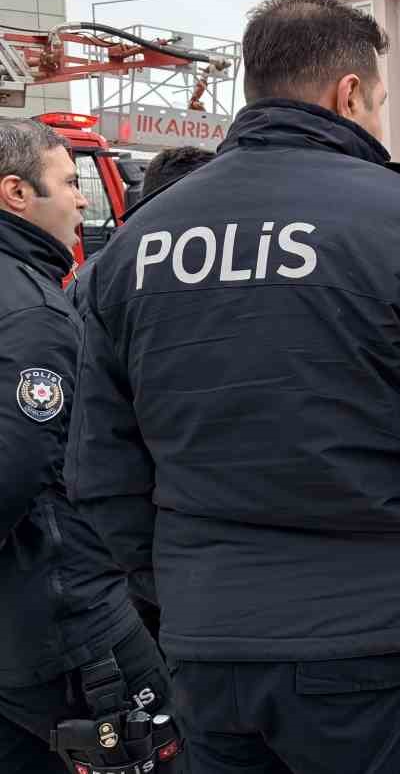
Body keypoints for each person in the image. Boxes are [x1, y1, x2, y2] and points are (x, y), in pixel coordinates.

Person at [65, 0, 400, 771]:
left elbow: (101, 471)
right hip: (376, 653)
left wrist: (188, 595)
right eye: (379, 101)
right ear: (348, 92)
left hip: (209, 653)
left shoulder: (136, 247)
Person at [0, 120, 183, 771]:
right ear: (16, 193)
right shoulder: (33, 312)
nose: (83, 201)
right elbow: (17, 466)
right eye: (71, 183)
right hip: (66, 619)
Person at [65, 145, 216, 645]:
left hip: (141, 551)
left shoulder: (99, 276)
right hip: (197, 549)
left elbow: (95, 447)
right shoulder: (218, 275)